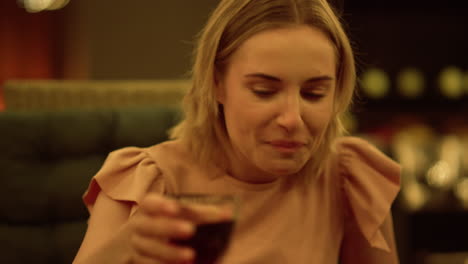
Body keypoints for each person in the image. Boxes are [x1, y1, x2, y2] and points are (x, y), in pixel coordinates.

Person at [73, 0, 401, 263]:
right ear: (216, 83)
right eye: (263, 91)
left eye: (314, 94)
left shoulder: (348, 178)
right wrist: (127, 246)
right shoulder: (146, 180)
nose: (292, 119)